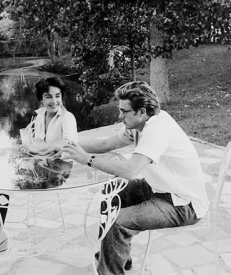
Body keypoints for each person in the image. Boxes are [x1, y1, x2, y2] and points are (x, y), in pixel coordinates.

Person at [58, 81, 208, 275]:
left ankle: (110, 272)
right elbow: (105, 143)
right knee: (110, 194)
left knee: (117, 221)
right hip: (159, 189)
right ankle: (116, 255)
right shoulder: (142, 123)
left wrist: (86, 159)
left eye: (124, 111)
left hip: (182, 204)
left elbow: (130, 170)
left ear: (141, 111)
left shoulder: (157, 129)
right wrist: (68, 146)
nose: (120, 116)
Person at [0, 76, 78, 257]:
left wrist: (38, 148)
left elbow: (67, 142)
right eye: (48, 97)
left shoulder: (67, 118)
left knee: (6, 182)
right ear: (41, 99)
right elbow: (32, 141)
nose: (54, 101)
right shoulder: (39, 115)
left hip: (58, 171)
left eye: (57, 96)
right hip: (39, 164)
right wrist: (26, 148)